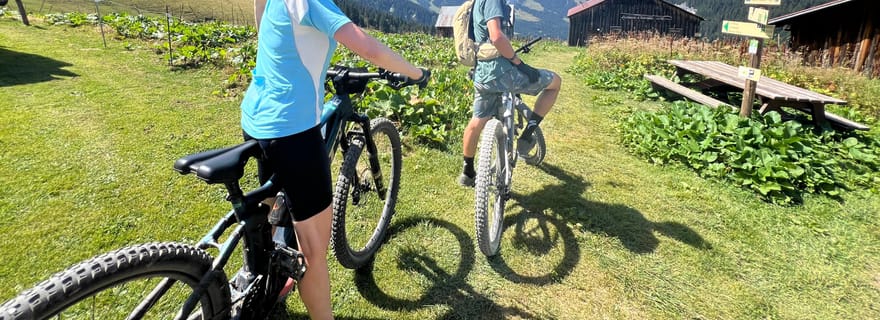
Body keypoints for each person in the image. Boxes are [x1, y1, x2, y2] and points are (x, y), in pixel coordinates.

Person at [241, 0, 429, 319]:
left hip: (256, 119)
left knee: (269, 208)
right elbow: (365, 46)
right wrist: (416, 72)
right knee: (313, 251)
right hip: (292, 130)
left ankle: (262, 278)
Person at [458, 0, 562, 187]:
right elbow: (496, 37)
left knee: (477, 120)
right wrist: (519, 63)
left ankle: (467, 171)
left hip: (482, 74)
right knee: (555, 82)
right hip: (503, 73)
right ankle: (527, 136)